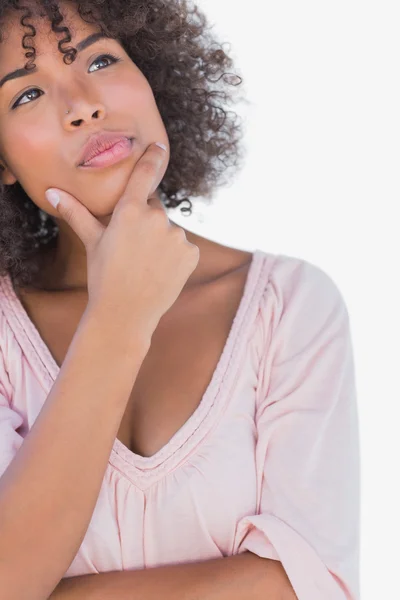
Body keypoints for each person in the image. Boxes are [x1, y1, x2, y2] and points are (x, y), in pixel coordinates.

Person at [0, 1, 360, 599]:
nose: (84, 105)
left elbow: (311, 586)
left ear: (153, 76)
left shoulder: (290, 305)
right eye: (26, 96)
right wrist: (118, 317)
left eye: (102, 59)